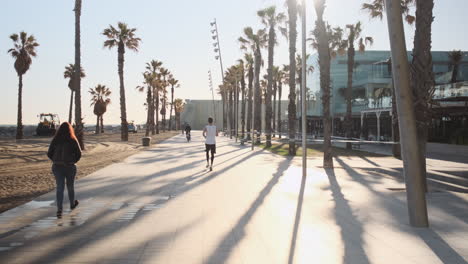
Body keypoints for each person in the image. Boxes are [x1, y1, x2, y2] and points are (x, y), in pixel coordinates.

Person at [47, 122, 81, 218]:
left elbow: (49, 153)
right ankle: (72, 204)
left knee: (60, 187)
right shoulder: (73, 140)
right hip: (70, 166)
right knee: (70, 186)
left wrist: (56, 160)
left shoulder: (55, 140)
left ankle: (59, 209)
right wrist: (72, 161)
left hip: (57, 166)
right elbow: (79, 153)